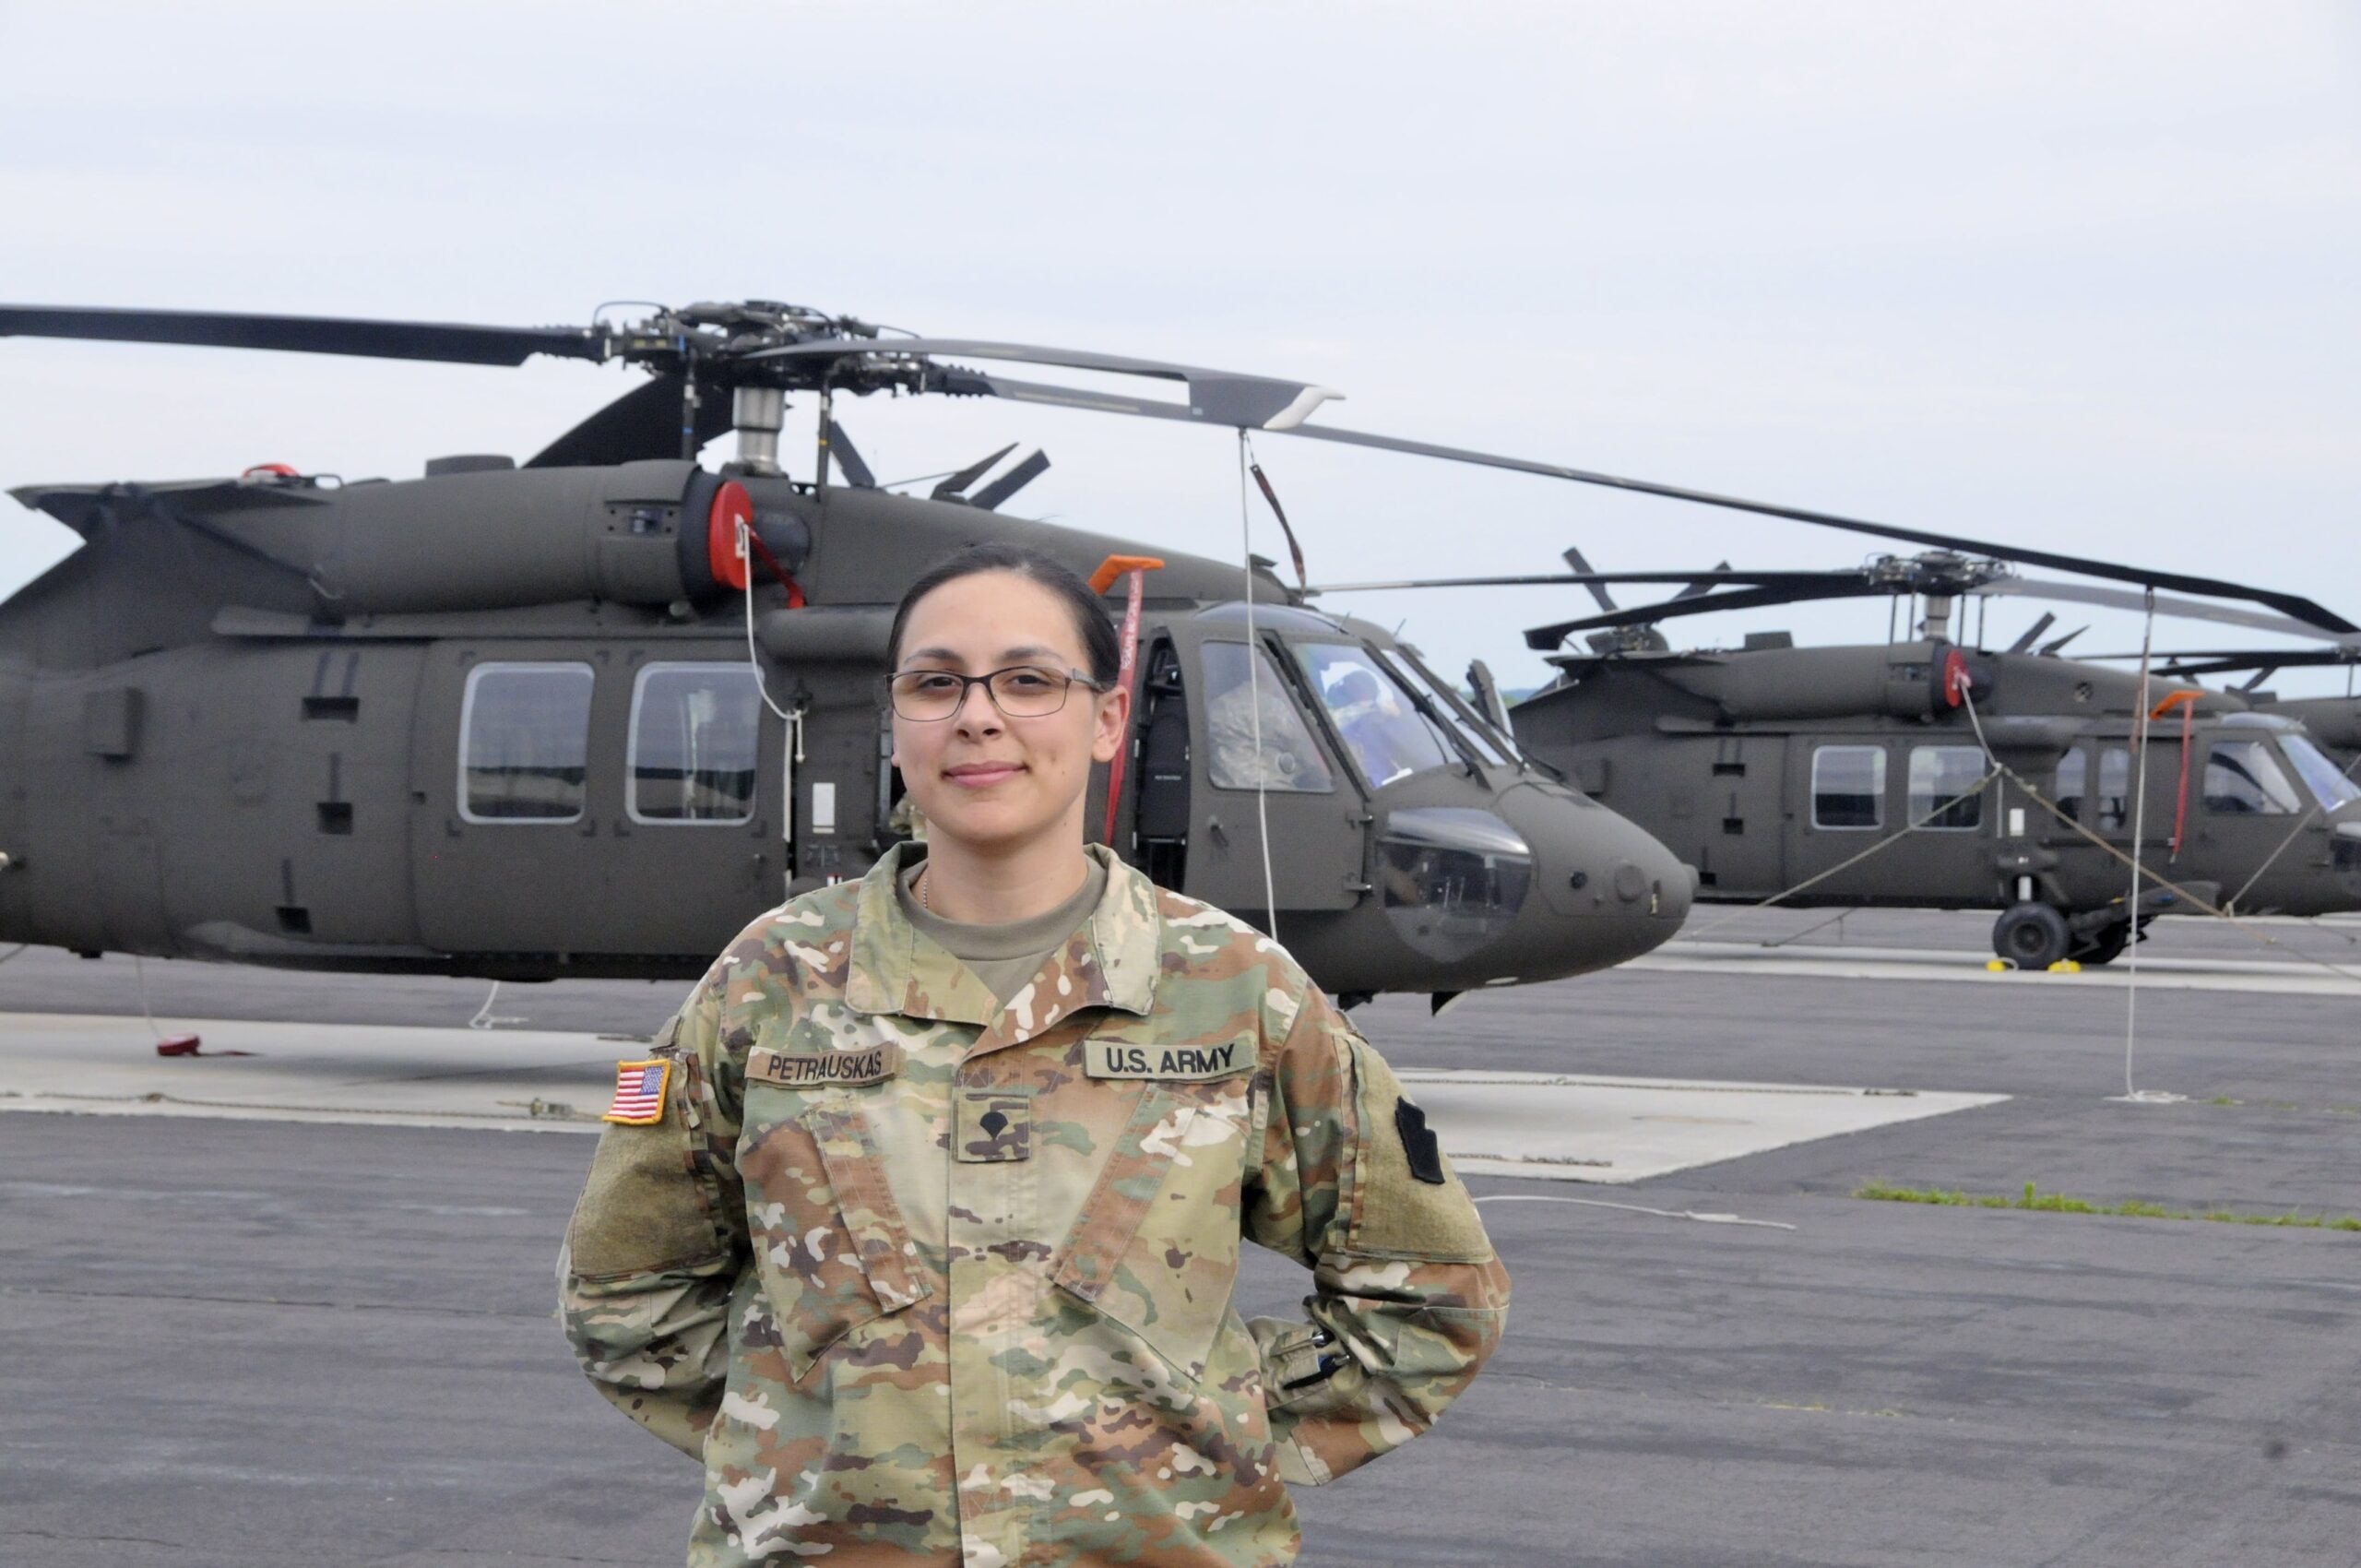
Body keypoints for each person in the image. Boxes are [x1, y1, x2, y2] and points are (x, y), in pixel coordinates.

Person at [560, 542, 1510, 1567]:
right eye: (935, 682)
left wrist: (1214, 1430)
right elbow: (625, 1288)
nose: (977, 715)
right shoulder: (763, 982)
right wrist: (795, 1438)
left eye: (1027, 680)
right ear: (896, 719)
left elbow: (1431, 1291)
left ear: (1105, 719)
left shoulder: (1239, 989)